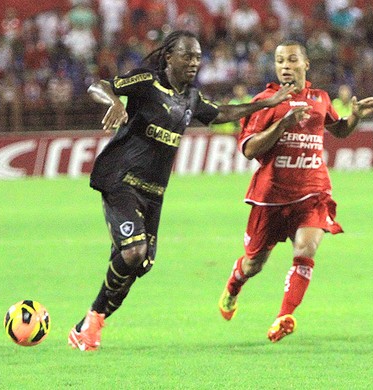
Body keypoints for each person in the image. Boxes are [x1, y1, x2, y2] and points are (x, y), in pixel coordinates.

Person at [68, 30, 293, 351]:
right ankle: (92, 321)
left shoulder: (190, 98)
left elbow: (221, 114)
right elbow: (98, 85)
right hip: (120, 180)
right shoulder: (147, 82)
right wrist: (115, 101)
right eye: (187, 55)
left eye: (198, 57)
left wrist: (267, 104)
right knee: (133, 252)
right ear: (169, 56)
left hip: (153, 194)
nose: (194, 62)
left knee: (139, 264)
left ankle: (89, 323)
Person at [217, 40, 373, 342]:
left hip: (312, 191)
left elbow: (339, 129)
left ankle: (284, 316)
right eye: (279, 61)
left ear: (306, 64)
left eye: (291, 60)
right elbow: (249, 149)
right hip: (270, 196)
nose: (285, 67)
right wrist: (282, 124)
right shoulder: (266, 101)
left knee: (306, 249)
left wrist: (355, 116)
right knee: (254, 264)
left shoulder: (320, 98)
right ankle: (233, 285)